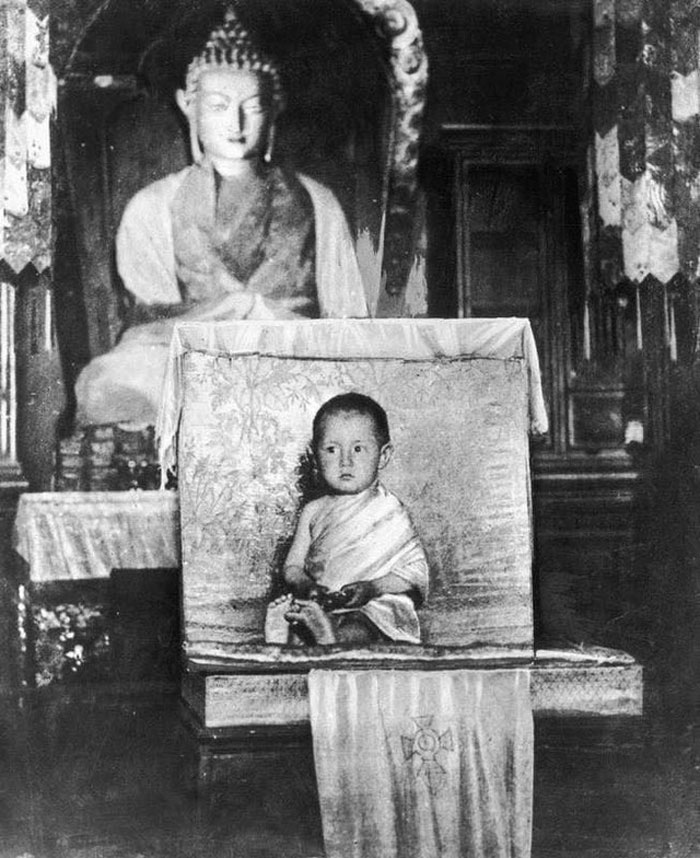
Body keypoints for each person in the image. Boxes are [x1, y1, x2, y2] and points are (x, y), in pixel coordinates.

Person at [74, 6, 368, 428]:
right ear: (187, 105)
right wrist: (236, 311)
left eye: (252, 106)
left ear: (275, 107)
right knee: (112, 381)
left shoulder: (319, 202)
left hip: (293, 357)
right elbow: (151, 324)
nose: (236, 122)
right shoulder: (152, 205)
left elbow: (348, 320)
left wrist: (264, 320)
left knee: (350, 382)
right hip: (187, 360)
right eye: (218, 105)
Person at [265, 392, 429, 646]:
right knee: (298, 616)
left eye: (358, 449)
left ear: (383, 455)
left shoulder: (390, 508)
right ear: (315, 456)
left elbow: (415, 572)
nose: (345, 461)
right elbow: (292, 567)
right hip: (324, 603)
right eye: (332, 449)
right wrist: (307, 585)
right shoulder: (313, 510)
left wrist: (372, 588)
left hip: (376, 603)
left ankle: (331, 637)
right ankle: (290, 635)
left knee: (363, 626)